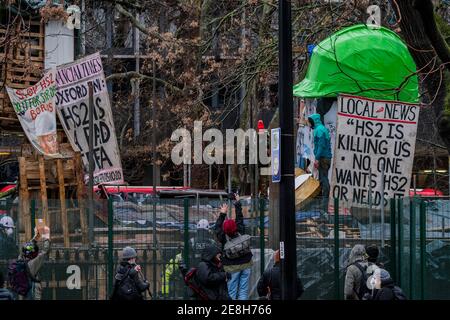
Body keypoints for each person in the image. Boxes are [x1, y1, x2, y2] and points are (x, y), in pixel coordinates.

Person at [213, 195, 253, 300]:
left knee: (231, 292)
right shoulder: (240, 230)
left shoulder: (223, 237)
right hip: (246, 264)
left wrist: (222, 213)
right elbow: (239, 218)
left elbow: (217, 228)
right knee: (243, 291)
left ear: (224, 229)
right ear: (235, 227)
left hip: (231, 267)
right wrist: (237, 203)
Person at [9, 225, 50, 300]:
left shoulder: (20, 259)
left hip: (23, 291)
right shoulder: (33, 263)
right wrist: (46, 237)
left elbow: (27, 248)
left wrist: (36, 237)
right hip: (33, 290)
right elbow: (45, 251)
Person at [307, 113, 332, 208]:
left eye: (310, 122)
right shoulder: (320, 129)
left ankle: (325, 202)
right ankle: (324, 201)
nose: (309, 124)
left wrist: (317, 159)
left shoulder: (319, 130)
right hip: (324, 157)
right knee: (322, 178)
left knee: (323, 178)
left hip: (323, 158)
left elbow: (321, 145)